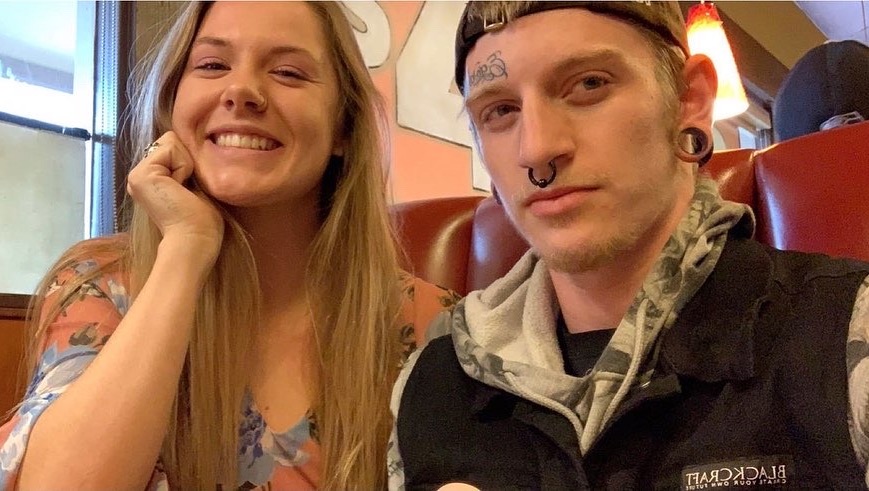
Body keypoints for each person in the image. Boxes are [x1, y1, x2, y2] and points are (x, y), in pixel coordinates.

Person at [389, 2, 869, 489]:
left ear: (688, 100)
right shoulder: (430, 384)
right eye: (500, 111)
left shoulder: (845, 330)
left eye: (588, 84)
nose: (535, 150)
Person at [0, 2, 459, 490]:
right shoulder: (99, 286)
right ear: (172, 107)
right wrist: (186, 248)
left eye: (288, 72)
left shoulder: (436, 328)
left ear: (343, 128)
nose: (240, 91)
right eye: (213, 65)